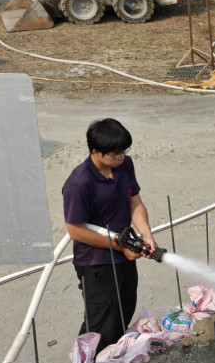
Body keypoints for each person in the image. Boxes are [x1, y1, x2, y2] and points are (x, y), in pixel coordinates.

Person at [62, 119, 157, 351]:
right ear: (95, 151)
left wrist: (146, 234)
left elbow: (134, 200)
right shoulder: (79, 183)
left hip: (124, 258)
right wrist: (120, 245)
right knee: (100, 325)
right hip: (97, 265)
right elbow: (76, 230)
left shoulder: (124, 166)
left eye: (123, 152)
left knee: (122, 314)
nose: (121, 158)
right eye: (115, 155)